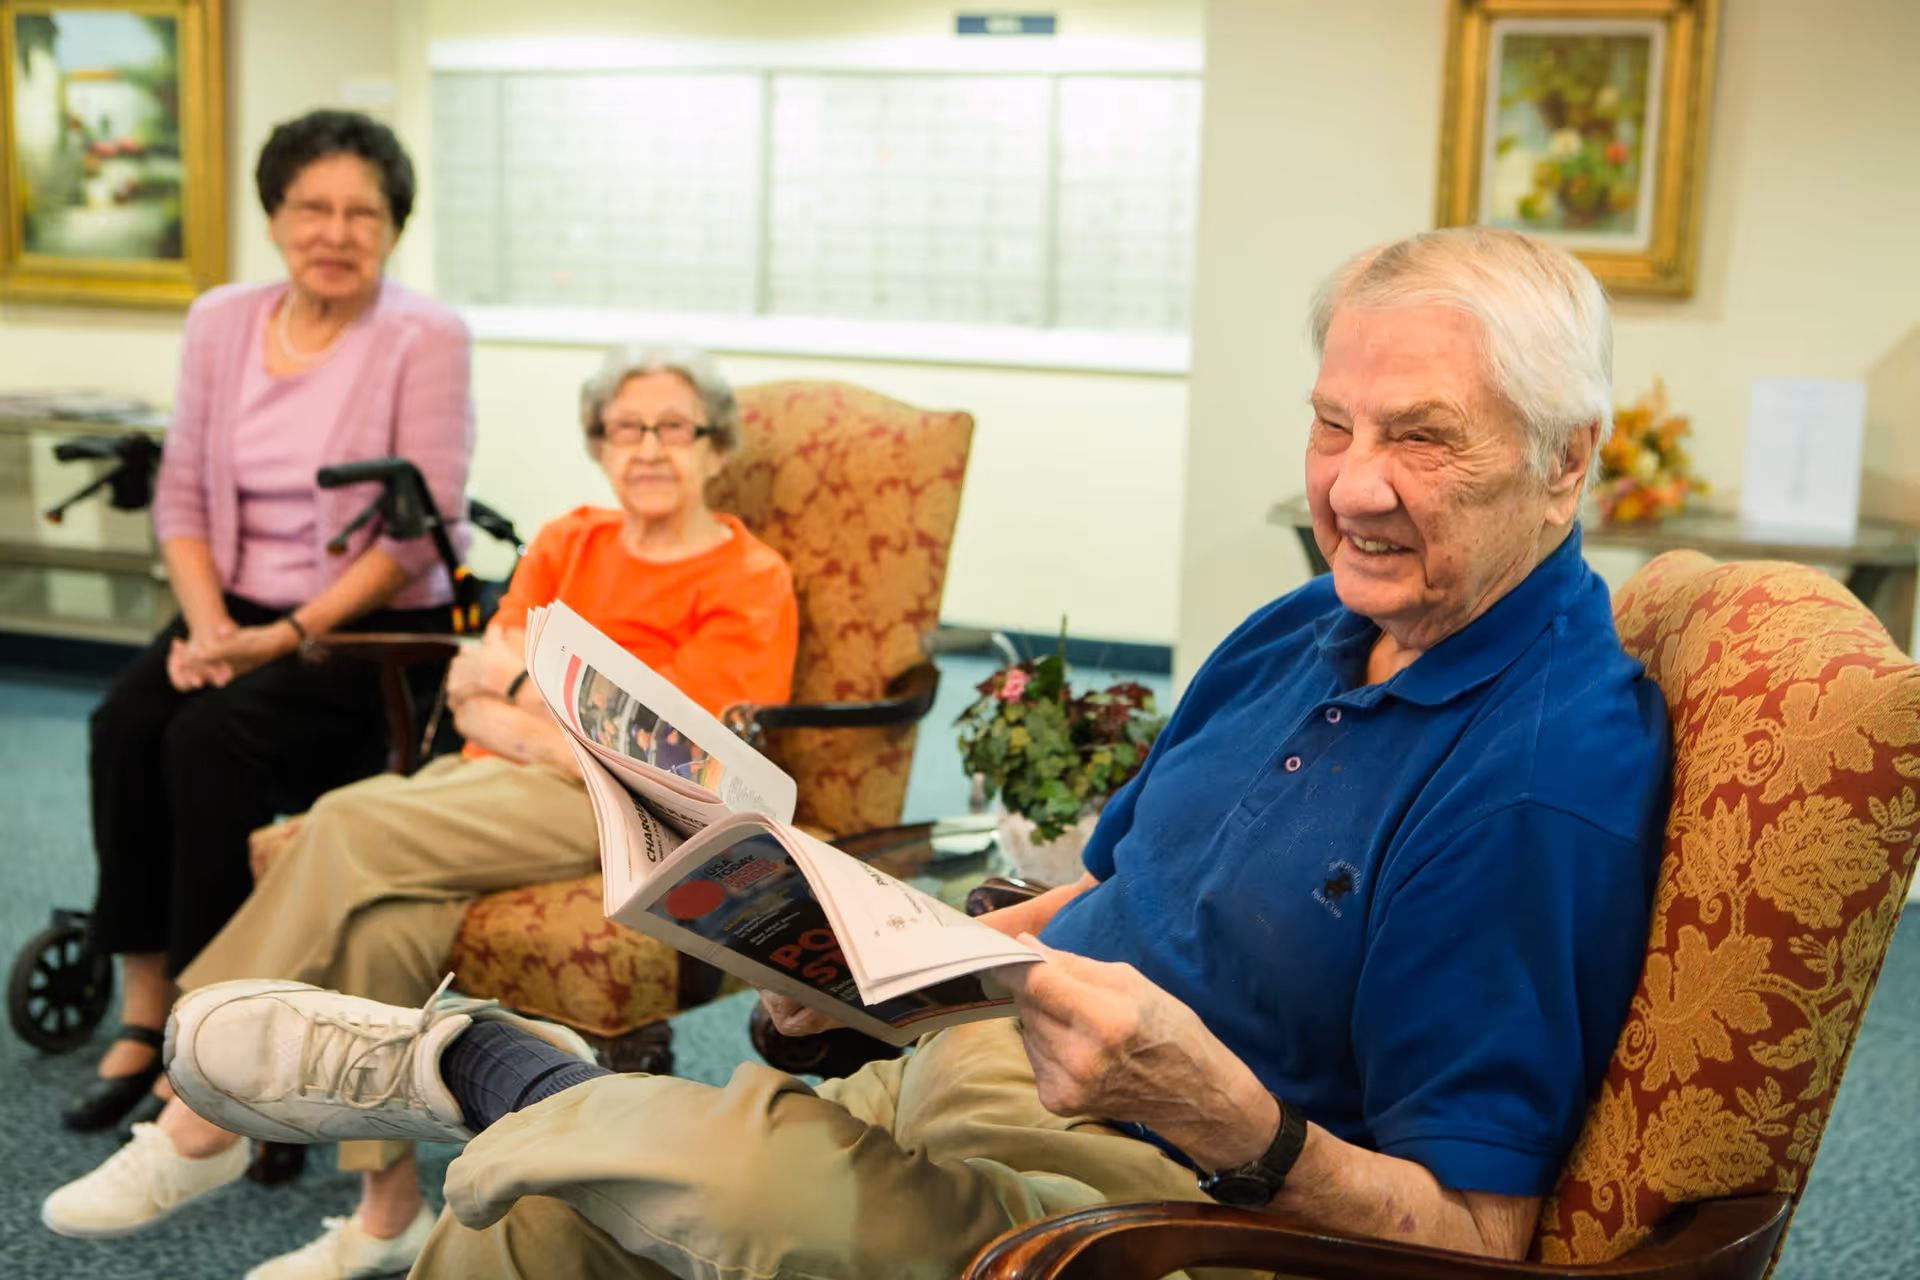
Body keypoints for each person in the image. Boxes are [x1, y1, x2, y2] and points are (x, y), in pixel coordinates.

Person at [158, 227, 1672, 1278]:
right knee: (521, 1225)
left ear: (1565, 460)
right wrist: (884, 958)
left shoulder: (1532, 779)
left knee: (695, 1175)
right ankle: (560, 1107)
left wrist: (1232, 1115)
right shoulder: (1302, 629)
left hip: (1189, 1209)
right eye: (1331, 425)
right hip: (989, 1073)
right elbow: (1098, 885)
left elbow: (1477, 1241)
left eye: (1422, 437)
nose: (1353, 488)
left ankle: (505, 1073)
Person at [42, 343, 800, 1280]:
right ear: (599, 445)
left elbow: (675, 763)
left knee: (345, 823)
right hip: (497, 778)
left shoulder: (748, 578)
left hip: (614, 812)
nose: (647, 447)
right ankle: (386, 1212)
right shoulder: (570, 540)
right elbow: (469, 689)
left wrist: (526, 695)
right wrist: (551, 718)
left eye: (672, 428)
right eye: (624, 428)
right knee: (383, 919)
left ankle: (194, 1107)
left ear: (714, 448)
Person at [67, 109, 474, 1135]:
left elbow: (418, 533)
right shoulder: (221, 319)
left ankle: (214, 1036)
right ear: (275, 214)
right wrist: (206, 627)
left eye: (360, 212)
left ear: (392, 227)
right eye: (311, 208)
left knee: (208, 740)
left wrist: (284, 634)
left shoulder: (423, 336)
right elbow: (185, 496)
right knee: (124, 724)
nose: (334, 231)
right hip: (229, 607)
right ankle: (146, 999)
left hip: (363, 629)